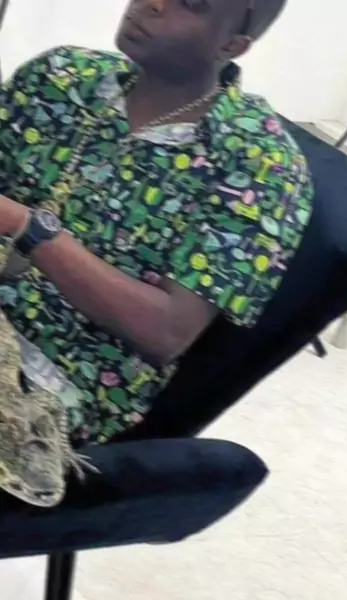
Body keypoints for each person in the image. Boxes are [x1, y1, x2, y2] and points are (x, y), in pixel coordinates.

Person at [0, 0, 313, 501]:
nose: (152, 3)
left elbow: (165, 330)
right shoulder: (62, 76)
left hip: (51, 380)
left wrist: (28, 228)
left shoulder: (258, 163)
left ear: (232, 45)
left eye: (189, 4)